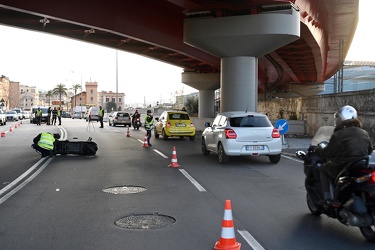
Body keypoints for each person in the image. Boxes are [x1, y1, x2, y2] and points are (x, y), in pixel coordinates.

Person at [315, 105, 373, 206]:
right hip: (361, 164)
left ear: (341, 118)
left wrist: (318, 150)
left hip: (344, 165)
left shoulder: (338, 134)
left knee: (323, 168)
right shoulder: (364, 132)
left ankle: (328, 197)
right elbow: (369, 150)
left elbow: (328, 153)